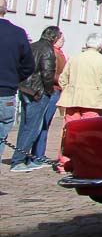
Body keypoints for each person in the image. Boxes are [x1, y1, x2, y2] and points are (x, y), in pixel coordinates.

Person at [57, 33, 102, 173]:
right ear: (100, 46)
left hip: (73, 99)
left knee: (68, 131)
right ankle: (85, 161)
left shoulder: (75, 59)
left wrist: (69, 89)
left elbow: (63, 79)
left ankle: (64, 161)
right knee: (88, 133)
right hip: (93, 101)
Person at [11, 26, 63, 171]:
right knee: (33, 127)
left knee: (25, 126)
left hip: (25, 89)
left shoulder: (32, 46)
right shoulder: (47, 50)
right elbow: (47, 73)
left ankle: (23, 157)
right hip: (38, 92)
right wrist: (48, 91)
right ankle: (19, 160)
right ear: (54, 37)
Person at [0, 0, 36, 160]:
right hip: (6, 92)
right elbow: (29, 66)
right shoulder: (17, 33)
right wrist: (14, 78)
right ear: (5, 10)